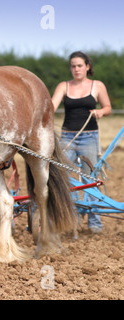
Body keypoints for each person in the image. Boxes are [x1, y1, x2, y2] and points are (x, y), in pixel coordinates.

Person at [52, 51, 112, 234]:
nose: (76, 69)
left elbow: (108, 107)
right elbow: (51, 107)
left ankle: (94, 223)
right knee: (64, 178)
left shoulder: (97, 86)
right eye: (73, 66)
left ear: (87, 67)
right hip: (67, 137)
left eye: (79, 65)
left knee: (90, 180)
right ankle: (71, 219)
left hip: (89, 137)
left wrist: (100, 112)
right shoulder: (64, 86)